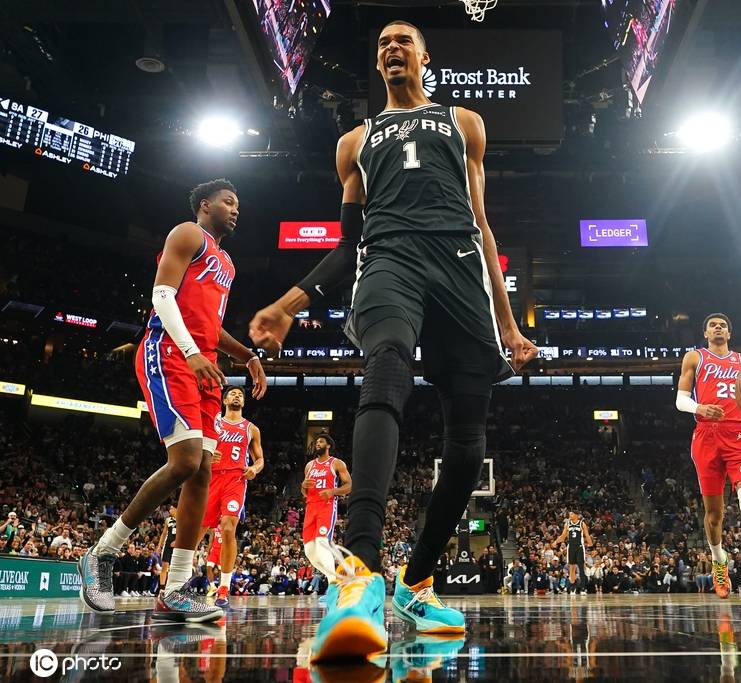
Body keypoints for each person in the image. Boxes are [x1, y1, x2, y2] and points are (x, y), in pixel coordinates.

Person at [248, 20, 536, 660]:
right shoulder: (354, 142)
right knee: (385, 368)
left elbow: (483, 224)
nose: (392, 47)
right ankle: (360, 573)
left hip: (459, 264)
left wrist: (509, 323)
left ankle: (417, 580)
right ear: (377, 64)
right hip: (388, 261)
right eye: (382, 42)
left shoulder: (465, 123)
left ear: (425, 56)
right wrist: (290, 303)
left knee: (468, 445)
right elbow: (348, 244)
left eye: (403, 39)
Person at [79, 178, 266, 622]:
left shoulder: (227, 263)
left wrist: (246, 355)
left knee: (202, 470)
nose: (236, 209)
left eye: (238, 203)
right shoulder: (187, 233)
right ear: (205, 205)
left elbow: (210, 325)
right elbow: (162, 296)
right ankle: (102, 552)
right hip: (169, 352)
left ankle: (177, 588)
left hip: (204, 364)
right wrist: (191, 352)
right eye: (228, 201)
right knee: (185, 462)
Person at [675, 313, 741, 608]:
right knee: (714, 515)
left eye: (723, 325)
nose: (718, 328)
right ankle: (719, 560)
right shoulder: (695, 357)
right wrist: (700, 407)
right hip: (706, 435)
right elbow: (680, 400)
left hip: (738, 435)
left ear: (729, 333)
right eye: (713, 325)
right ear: (705, 333)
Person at [200, 385, 265, 608]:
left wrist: (254, 469)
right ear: (225, 400)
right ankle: (177, 583)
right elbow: (195, 446)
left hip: (235, 480)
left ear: (243, 402)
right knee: (198, 530)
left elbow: (260, 460)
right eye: (232, 394)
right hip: (211, 478)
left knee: (228, 528)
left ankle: (224, 589)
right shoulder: (213, 421)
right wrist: (206, 455)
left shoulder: (251, 429)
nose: (237, 396)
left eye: (240, 395)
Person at [300, 434, 352, 594]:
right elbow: (304, 492)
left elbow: (349, 485)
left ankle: (333, 586)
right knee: (309, 551)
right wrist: (303, 485)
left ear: (328, 445)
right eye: (316, 442)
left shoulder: (336, 463)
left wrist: (332, 491)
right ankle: (336, 579)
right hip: (310, 507)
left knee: (322, 542)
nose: (317, 444)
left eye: (321, 441)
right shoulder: (309, 466)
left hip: (326, 507)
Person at [554, 511, 593, 595]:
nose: (570, 515)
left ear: (576, 515)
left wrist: (591, 545)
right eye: (569, 514)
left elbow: (587, 535)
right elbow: (563, 536)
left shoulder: (582, 524)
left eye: (571, 514)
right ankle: (573, 587)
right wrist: (556, 542)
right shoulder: (567, 524)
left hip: (579, 547)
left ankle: (583, 588)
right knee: (572, 568)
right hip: (571, 547)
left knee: (581, 568)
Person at [155, 506, 178, 595]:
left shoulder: (182, 519)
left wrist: (177, 541)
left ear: (176, 509)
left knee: (174, 568)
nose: (169, 510)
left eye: (171, 508)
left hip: (177, 546)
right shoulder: (168, 520)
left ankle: (172, 588)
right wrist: (159, 546)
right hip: (167, 545)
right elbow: (164, 534)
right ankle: (161, 588)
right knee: (164, 566)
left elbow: (185, 533)